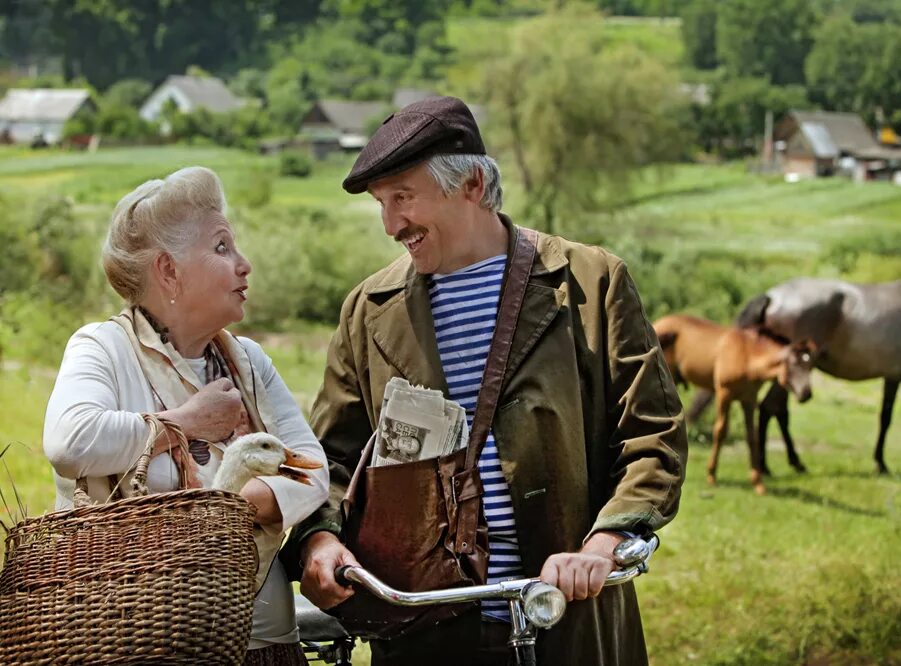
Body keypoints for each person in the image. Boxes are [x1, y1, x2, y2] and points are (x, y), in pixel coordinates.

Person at [284, 96, 688, 666]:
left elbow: (654, 438)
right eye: (382, 204)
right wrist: (320, 539)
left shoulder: (589, 283)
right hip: (423, 632)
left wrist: (604, 545)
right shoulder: (368, 309)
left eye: (403, 197)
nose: (391, 224)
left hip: (568, 625)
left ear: (471, 183)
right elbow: (327, 459)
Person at [43, 166, 330, 666]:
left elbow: (311, 469)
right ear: (168, 271)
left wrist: (226, 507)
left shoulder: (250, 361)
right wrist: (187, 421)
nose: (245, 265)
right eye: (222, 248)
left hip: (261, 640)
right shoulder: (102, 348)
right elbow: (70, 443)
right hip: (132, 642)